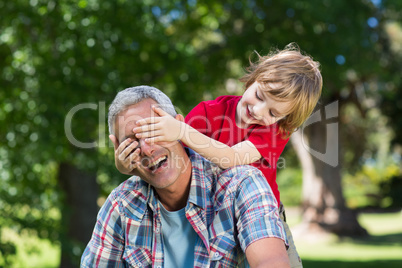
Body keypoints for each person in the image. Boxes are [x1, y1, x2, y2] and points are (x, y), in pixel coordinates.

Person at [116, 43, 322, 267]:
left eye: (273, 112)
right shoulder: (209, 111)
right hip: (214, 214)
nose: (259, 111)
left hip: (261, 215)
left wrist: (182, 131)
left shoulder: (275, 131)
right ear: (254, 79)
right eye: (260, 96)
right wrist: (125, 166)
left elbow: (231, 158)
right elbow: (169, 158)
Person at [81, 86, 290, 267]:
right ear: (118, 148)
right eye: (132, 142)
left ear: (179, 127)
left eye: (155, 132)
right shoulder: (122, 205)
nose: (147, 149)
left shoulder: (242, 186)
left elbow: (270, 261)